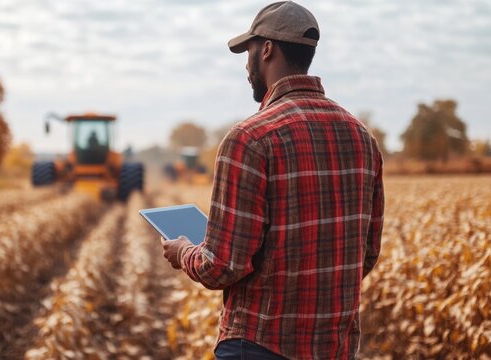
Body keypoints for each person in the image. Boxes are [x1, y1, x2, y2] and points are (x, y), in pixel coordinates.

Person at [160, 2, 384, 359]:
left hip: (259, 346)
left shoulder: (249, 138)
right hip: (335, 348)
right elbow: (367, 254)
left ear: (266, 49)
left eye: (248, 50)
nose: (247, 65)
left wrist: (184, 250)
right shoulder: (362, 138)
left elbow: (221, 266)